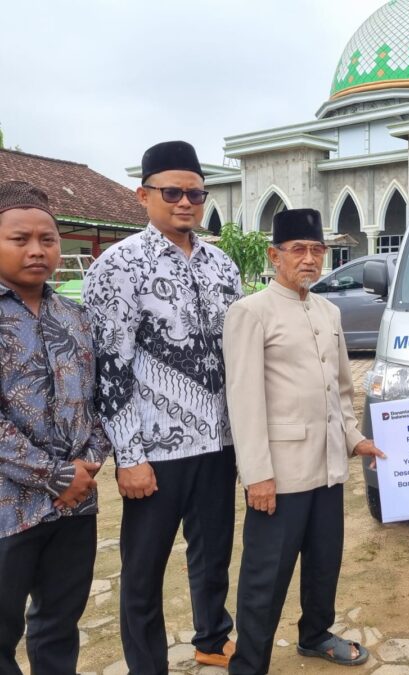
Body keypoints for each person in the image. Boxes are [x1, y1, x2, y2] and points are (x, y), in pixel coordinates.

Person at [83, 141, 243, 672]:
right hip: (155, 450)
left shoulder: (222, 265)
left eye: (195, 193)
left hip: (219, 441)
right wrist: (129, 456)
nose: (185, 203)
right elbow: (111, 366)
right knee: (144, 569)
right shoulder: (118, 266)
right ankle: (147, 665)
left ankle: (211, 639)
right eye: (172, 192)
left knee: (213, 553)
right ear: (144, 195)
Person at [223, 208, 385, 674]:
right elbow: (244, 400)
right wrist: (257, 475)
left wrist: (354, 439)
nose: (310, 259)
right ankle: (249, 664)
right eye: (298, 250)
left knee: (324, 561)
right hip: (281, 472)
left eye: (317, 250)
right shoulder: (250, 312)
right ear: (274, 256)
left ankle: (315, 634)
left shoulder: (328, 310)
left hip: (329, 464)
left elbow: (342, 389)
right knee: (266, 575)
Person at [0, 181, 111, 674]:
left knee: (59, 625)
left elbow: (102, 399)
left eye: (47, 239)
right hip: (9, 508)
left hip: (74, 505)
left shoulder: (77, 318)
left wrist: (89, 463)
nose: (37, 250)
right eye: (20, 239)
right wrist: (54, 475)